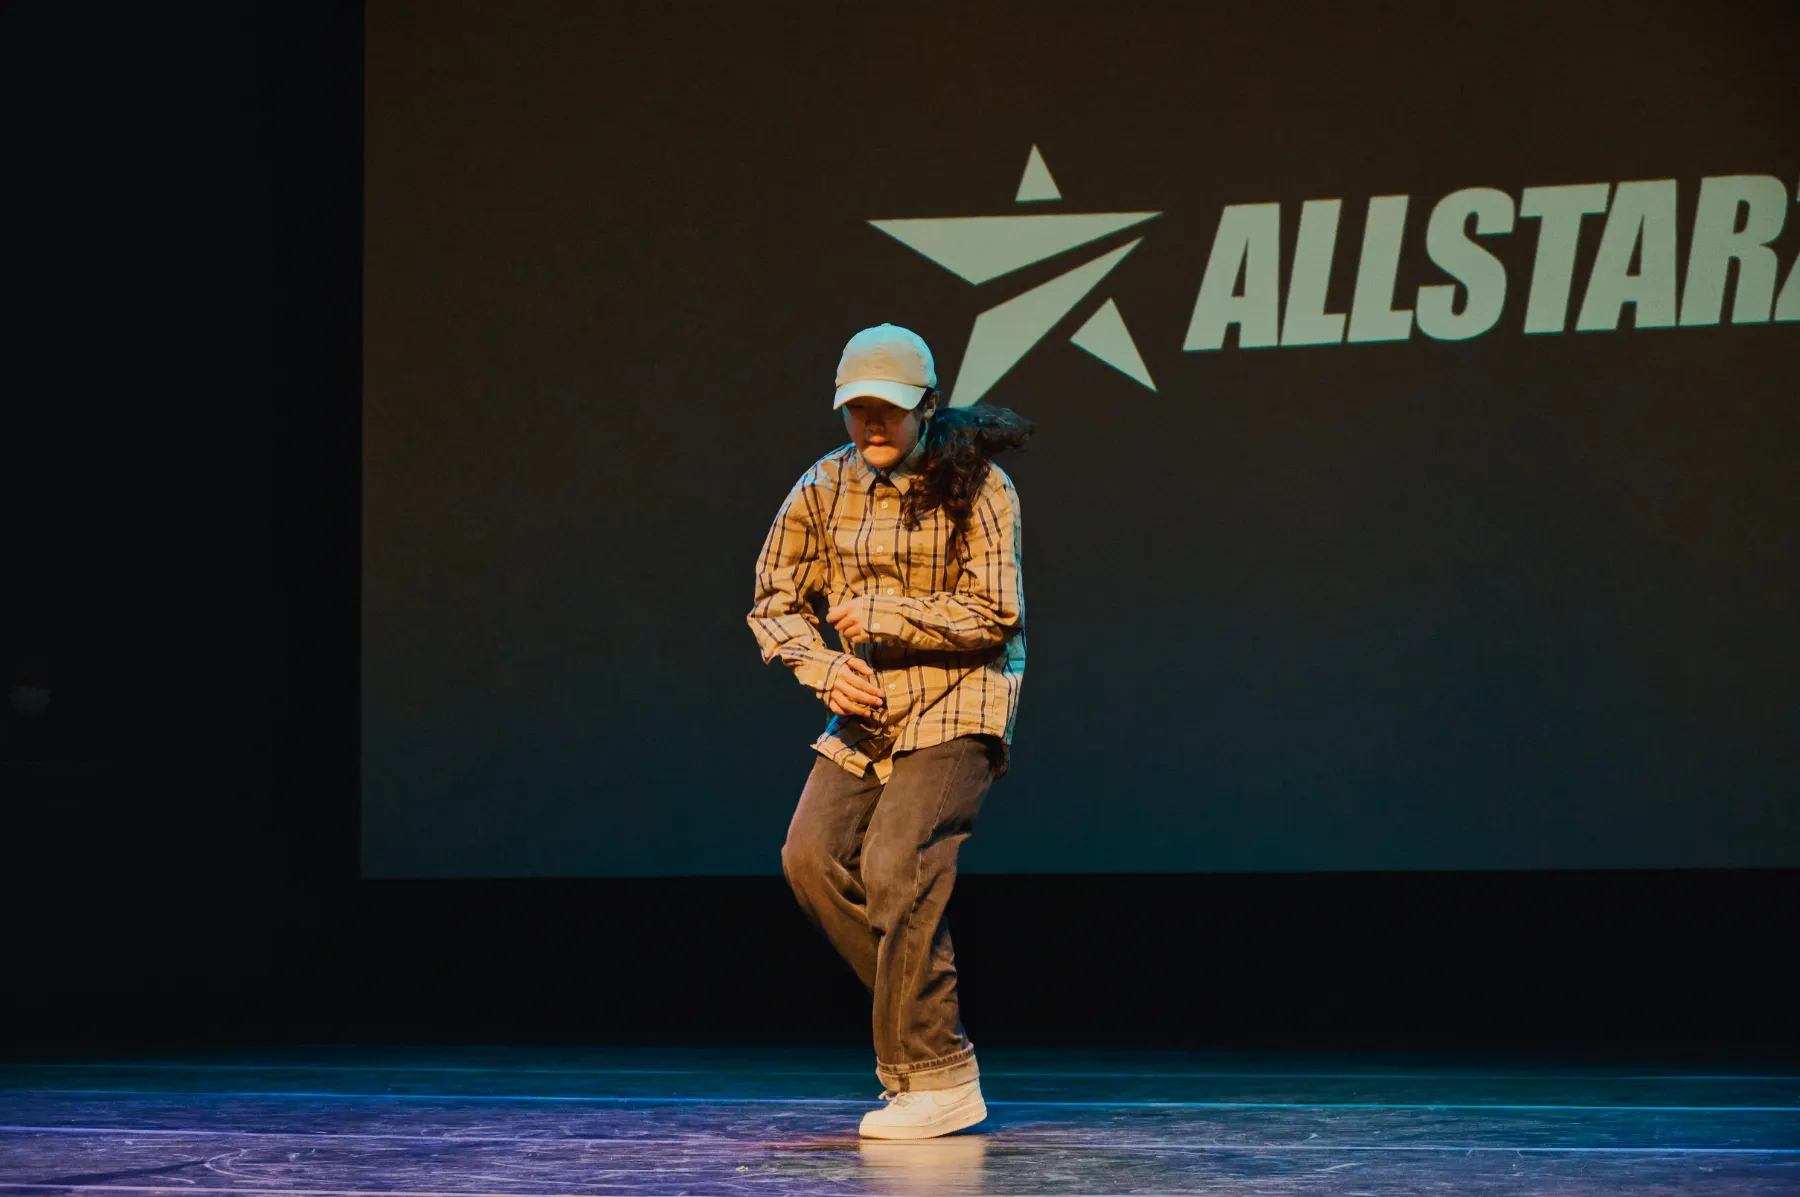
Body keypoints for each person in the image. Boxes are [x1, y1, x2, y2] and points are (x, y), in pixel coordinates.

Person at [746, 323, 1032, 1139]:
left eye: (890, 409)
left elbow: (995, 611)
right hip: (870, 703)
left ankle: (937, 1073)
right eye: (857, 408)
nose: (872, 424)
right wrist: (821, 667)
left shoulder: (980, 485)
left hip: (961, 698)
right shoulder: (823, 485)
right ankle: (925, 1033)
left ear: (927, 406)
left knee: (895, 859)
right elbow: (772, 602)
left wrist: (885, 613)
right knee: (810, 857)